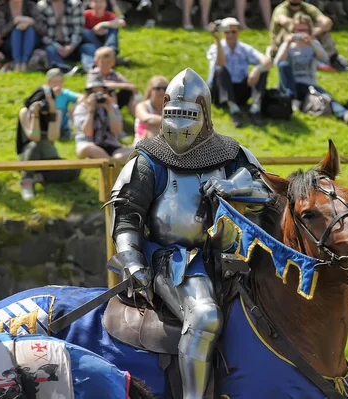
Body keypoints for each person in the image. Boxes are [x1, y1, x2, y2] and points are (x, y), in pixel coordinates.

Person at [107, 67, 272, 399]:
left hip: (232, 253)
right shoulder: (148, 159)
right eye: (172, 114)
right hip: (175, 259)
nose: (178, 124)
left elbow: (266, 191)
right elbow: (126, 218)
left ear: (205, 114)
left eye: (188, 114)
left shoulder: (228, 153)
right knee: (205, 317)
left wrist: (230, 185)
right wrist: (134, 263)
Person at [274, 12, 348, 124]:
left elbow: (325, 59)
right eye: (298, 30)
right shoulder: (287, 45)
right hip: (290, 85)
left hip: (308, 84)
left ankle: (345, 114)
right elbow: (278, 62)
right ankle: (293, 102)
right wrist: (287, 43)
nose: (301, 34)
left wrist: (312, 44)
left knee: (327, 97)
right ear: (293, 30)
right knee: (284, 65)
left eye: (304, 30)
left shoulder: (313, 44)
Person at [16, 68, 82, 200]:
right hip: (29, 156)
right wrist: (35, 115)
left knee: (75, 169)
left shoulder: (56, 113)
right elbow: (34, 137)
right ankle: (27, 181)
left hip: (48, 155)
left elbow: (52, 137)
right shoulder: (25, 112)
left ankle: (37, 177)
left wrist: (52, 113)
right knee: (36, 144)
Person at [206, 17, 271, 128]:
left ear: (238, 32)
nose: (230, 35)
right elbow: (221, 62)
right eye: (227, 32)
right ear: (222, 33)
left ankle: (255, 109)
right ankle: (234, 110)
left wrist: (257, 69)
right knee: (220, 69)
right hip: (220, 91)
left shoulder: (244, 48)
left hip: (240, 89)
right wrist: (217, 40)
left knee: (262, 71)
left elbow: (267, 61)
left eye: (234, 32)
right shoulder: (215, 47)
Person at [268, 0, 347, 71]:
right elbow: (285, 22)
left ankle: (332, 58)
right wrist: (300, 31)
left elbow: (327, 22)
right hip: (284, 44)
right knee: (287, 30)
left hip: (307, 41)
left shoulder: (307, 8)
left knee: (323, 31)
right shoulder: (281, 9)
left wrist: (314, 32)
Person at [72, 74, 132, 163]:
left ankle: (109, 161)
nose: (98, 96)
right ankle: (111, 163)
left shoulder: (112, 107)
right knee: (89, 149)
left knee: (135, 152)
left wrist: (110, 110)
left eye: (101, 92)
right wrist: (90, 111)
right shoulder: (81, 108)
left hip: (111, 146)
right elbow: (88, 133)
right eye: (94, 93)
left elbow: (117, 131)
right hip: (89, 145)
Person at [0, 0, 47, 72]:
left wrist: (30, 22)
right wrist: (14, 22)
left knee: (29, 29)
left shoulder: (30, 5)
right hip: (10, 44)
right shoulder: (2, 7)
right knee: (17, 30)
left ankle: (24, 62)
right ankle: (17, 62)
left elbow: (42, 30)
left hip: (32, 42)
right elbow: (2, 32)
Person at [87, 46, 139, 117]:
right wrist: (121, 85)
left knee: (128, 92)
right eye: (102, 62)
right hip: (97, 102)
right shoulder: (94, 73)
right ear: (96, 62)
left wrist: (128, 86)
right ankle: (112, 117)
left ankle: (138, 119)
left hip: (113, 102)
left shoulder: (114, 74)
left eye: (108, 62)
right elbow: (103, 85)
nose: (105, 65)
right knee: (110, 92)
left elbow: (128, 85)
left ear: (113, 63)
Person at [38, 0, 85, 72]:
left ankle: (92, 68)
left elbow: (78, 30)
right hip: (53, 44)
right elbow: (42, 34)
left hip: (73, 45)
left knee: (88, 47)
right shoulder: (41, 6)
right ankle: (64, 69)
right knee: (49, 49)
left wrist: (71, 47)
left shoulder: (75, 4)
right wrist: (57, 46)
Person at [82, 0, 126, 65]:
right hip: (92, 42)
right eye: (96, 1)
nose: (99, 4)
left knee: (113, 28)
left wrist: (102, 24)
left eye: (102, 2)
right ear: (90, 4)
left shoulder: (109, 14)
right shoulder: (85, 14)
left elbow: (122, 22)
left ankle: (111, 51)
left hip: (105, 40)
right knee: (86, 32)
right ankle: (108, 56)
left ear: (105, 4)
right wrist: (93, 31)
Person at [134, 75, 167, 144]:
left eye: (165, 88)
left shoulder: (169, 108)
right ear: (150, 90)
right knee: (153, 126)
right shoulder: (142, 106)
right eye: (158, 88)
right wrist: (169, 122)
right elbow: (147, 118)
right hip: (141, 145)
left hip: (164, 145)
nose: (161, 91)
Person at [53, 70, 83, 139]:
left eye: (59, 82)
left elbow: (81, 97)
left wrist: (73, 108)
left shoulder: (65, 93)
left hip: (64, 125)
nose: (57, 85)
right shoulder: (45, 93)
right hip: (50, 124)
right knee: (58, 112)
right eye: (54, 82)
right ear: (48, 83)